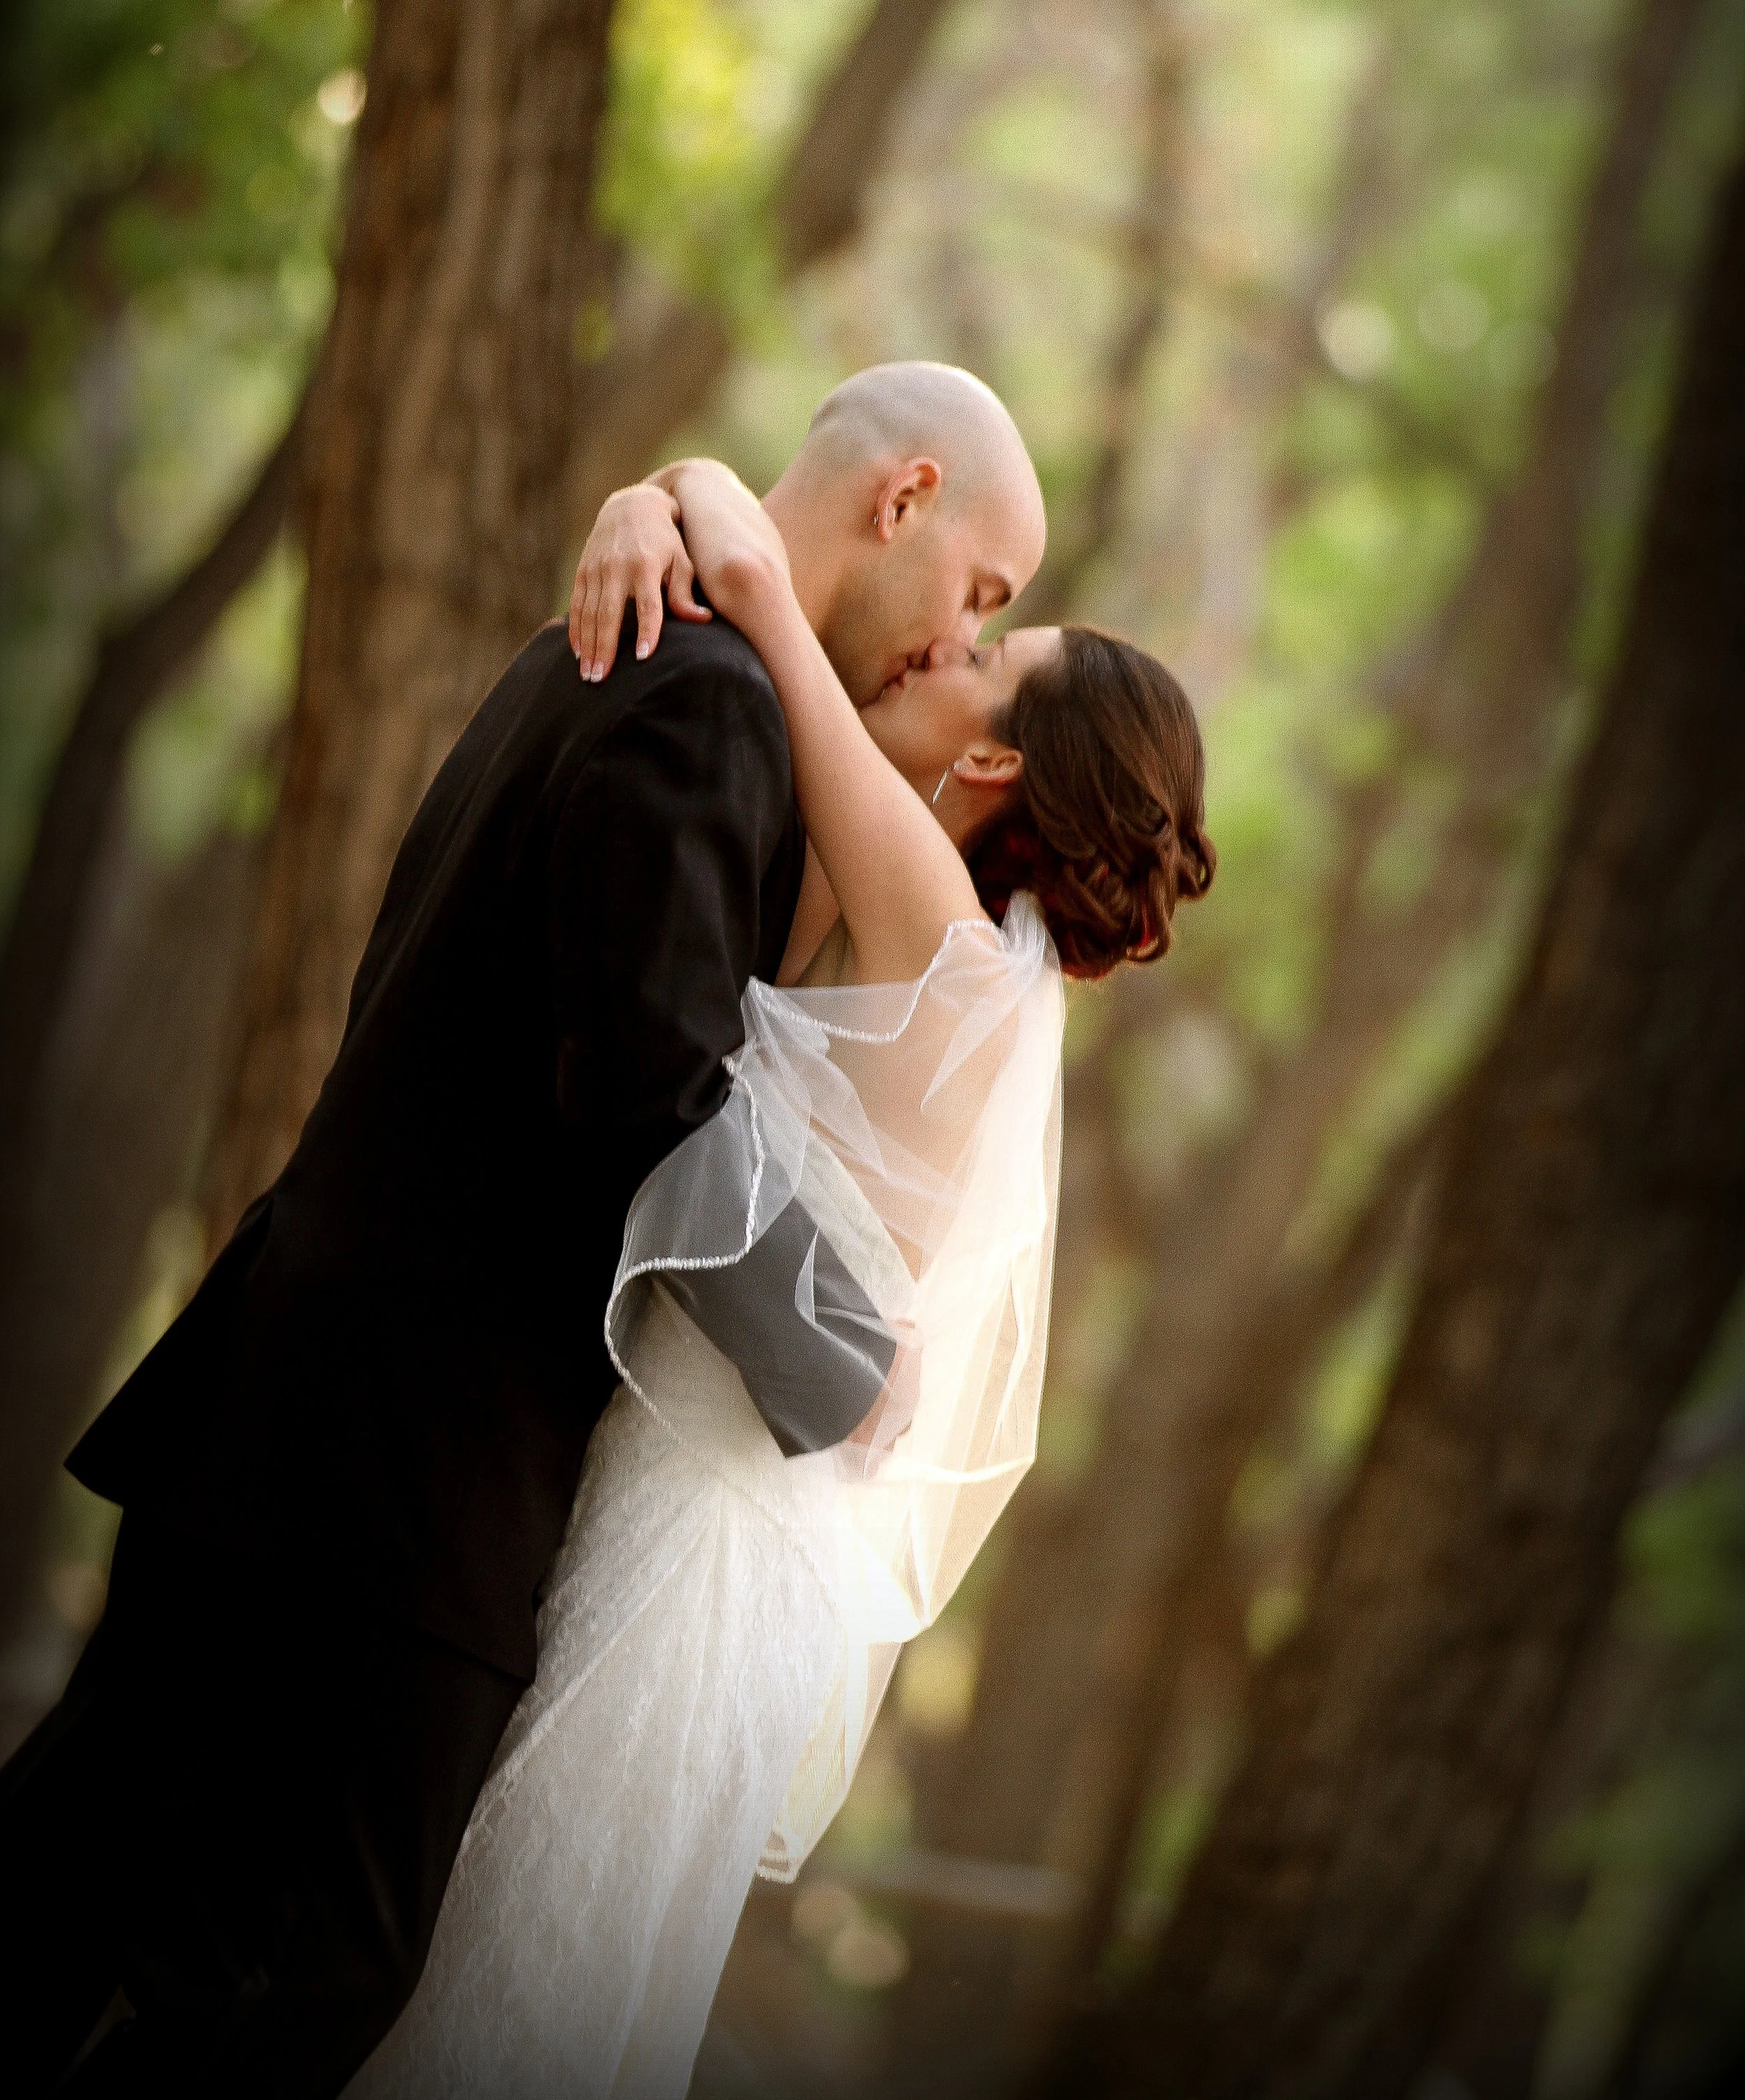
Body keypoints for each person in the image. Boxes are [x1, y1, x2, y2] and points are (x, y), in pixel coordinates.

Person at [0, 363, 1048, 2098]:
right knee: (302, 1970)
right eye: (981, 591)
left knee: (85, 1871)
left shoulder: (617, 640)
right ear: (903, 496)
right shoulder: (704, 695)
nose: (959, 637)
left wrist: (673, 492)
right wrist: (844, 1362)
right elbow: (647, 1087)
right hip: (405, 1466)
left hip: (286, 1398)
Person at [344, 454, 1215, 2095]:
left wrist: (682, 504)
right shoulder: (932, 939)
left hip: (694, 1535)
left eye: (978, 652)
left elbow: (762, 591)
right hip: (680, 1475)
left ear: (992, 752)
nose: (935, 650)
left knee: (510, 1971)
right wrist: (637, 495)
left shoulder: (944, 948)